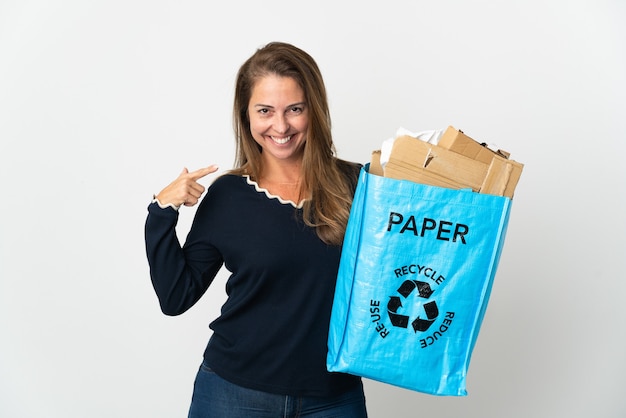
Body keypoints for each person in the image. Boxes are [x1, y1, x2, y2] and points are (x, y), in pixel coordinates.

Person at [144, 42, 368, 417]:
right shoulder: (229, 196)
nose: (280, 126)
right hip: (233, 395)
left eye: (294, 109)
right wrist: (161, 211)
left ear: (314, 110)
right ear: (246, 114)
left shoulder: (358, 185)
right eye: (265, 111)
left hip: (333, 396)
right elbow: (176, 297)